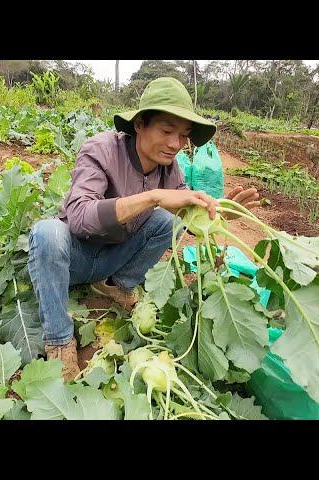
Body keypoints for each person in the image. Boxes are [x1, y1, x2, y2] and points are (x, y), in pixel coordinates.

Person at [28, 77, 259, 380]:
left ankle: (116, 286)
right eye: (166, 131)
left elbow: (184, 216)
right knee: (47, 232)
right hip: (74, 258)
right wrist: (153, 196)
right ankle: (59, 343)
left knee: (167, 222)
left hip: (113, 259)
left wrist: (218, 215)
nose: (176, 144)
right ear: (139, 124)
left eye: (184, 135)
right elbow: (80, 217)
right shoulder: (100, 150)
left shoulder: (170, 168)